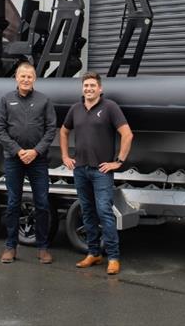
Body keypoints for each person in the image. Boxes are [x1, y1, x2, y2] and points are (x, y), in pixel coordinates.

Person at [59, 71, 133, 275]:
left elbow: (127, 134)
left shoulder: (110, 108)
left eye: (93, 86)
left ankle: (114, 257)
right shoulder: (75, 109)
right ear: (82, 88)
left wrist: (118, 161)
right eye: (86, 86)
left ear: (100, 89)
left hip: (101, 171)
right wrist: (65, 156)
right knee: (87, 212)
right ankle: (93, 253)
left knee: (104, 212)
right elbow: (64, 131)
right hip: (80, 169)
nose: (89, 89)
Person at [0, 61, 56, 264]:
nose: (26, 80)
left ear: (35, 79)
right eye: (23, 76)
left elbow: (50, 130)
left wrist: (36, 151)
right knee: (13, 202)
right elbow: (0, 130)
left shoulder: (44, 100)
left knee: (42, 203)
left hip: (38, 160)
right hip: (14, 159)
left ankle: (43, 247)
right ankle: (10, 246)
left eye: (30, 76)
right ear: (16, 78)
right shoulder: (5, 100)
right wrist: (18, 151)